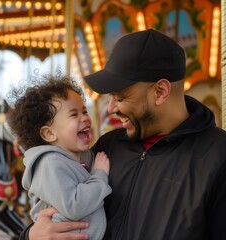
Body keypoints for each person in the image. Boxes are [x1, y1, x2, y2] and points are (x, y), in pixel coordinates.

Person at [18, 29, 226, 240]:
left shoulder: (217, 157)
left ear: (160, 91)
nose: (111, 109)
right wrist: (31, 236)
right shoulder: (108, 147)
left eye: (121, 97)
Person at [6, 75, 112, 239]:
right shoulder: (50, 163)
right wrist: (99, 175)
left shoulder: (81, 157)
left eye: (84, 111)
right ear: (49, 133)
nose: (85, 117)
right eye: (73, 114)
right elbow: (74, 205)